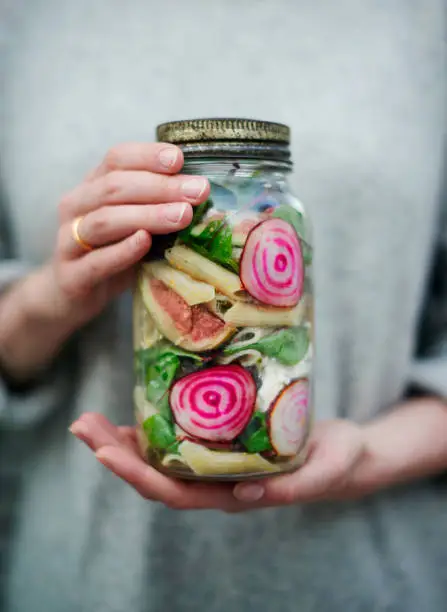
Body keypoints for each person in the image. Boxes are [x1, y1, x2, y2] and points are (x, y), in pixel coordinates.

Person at [1, 1, 446, 611]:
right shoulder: (21, 21)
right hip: (82, 581)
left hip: (371, 579)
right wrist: (46, 299)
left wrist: (374, 454)